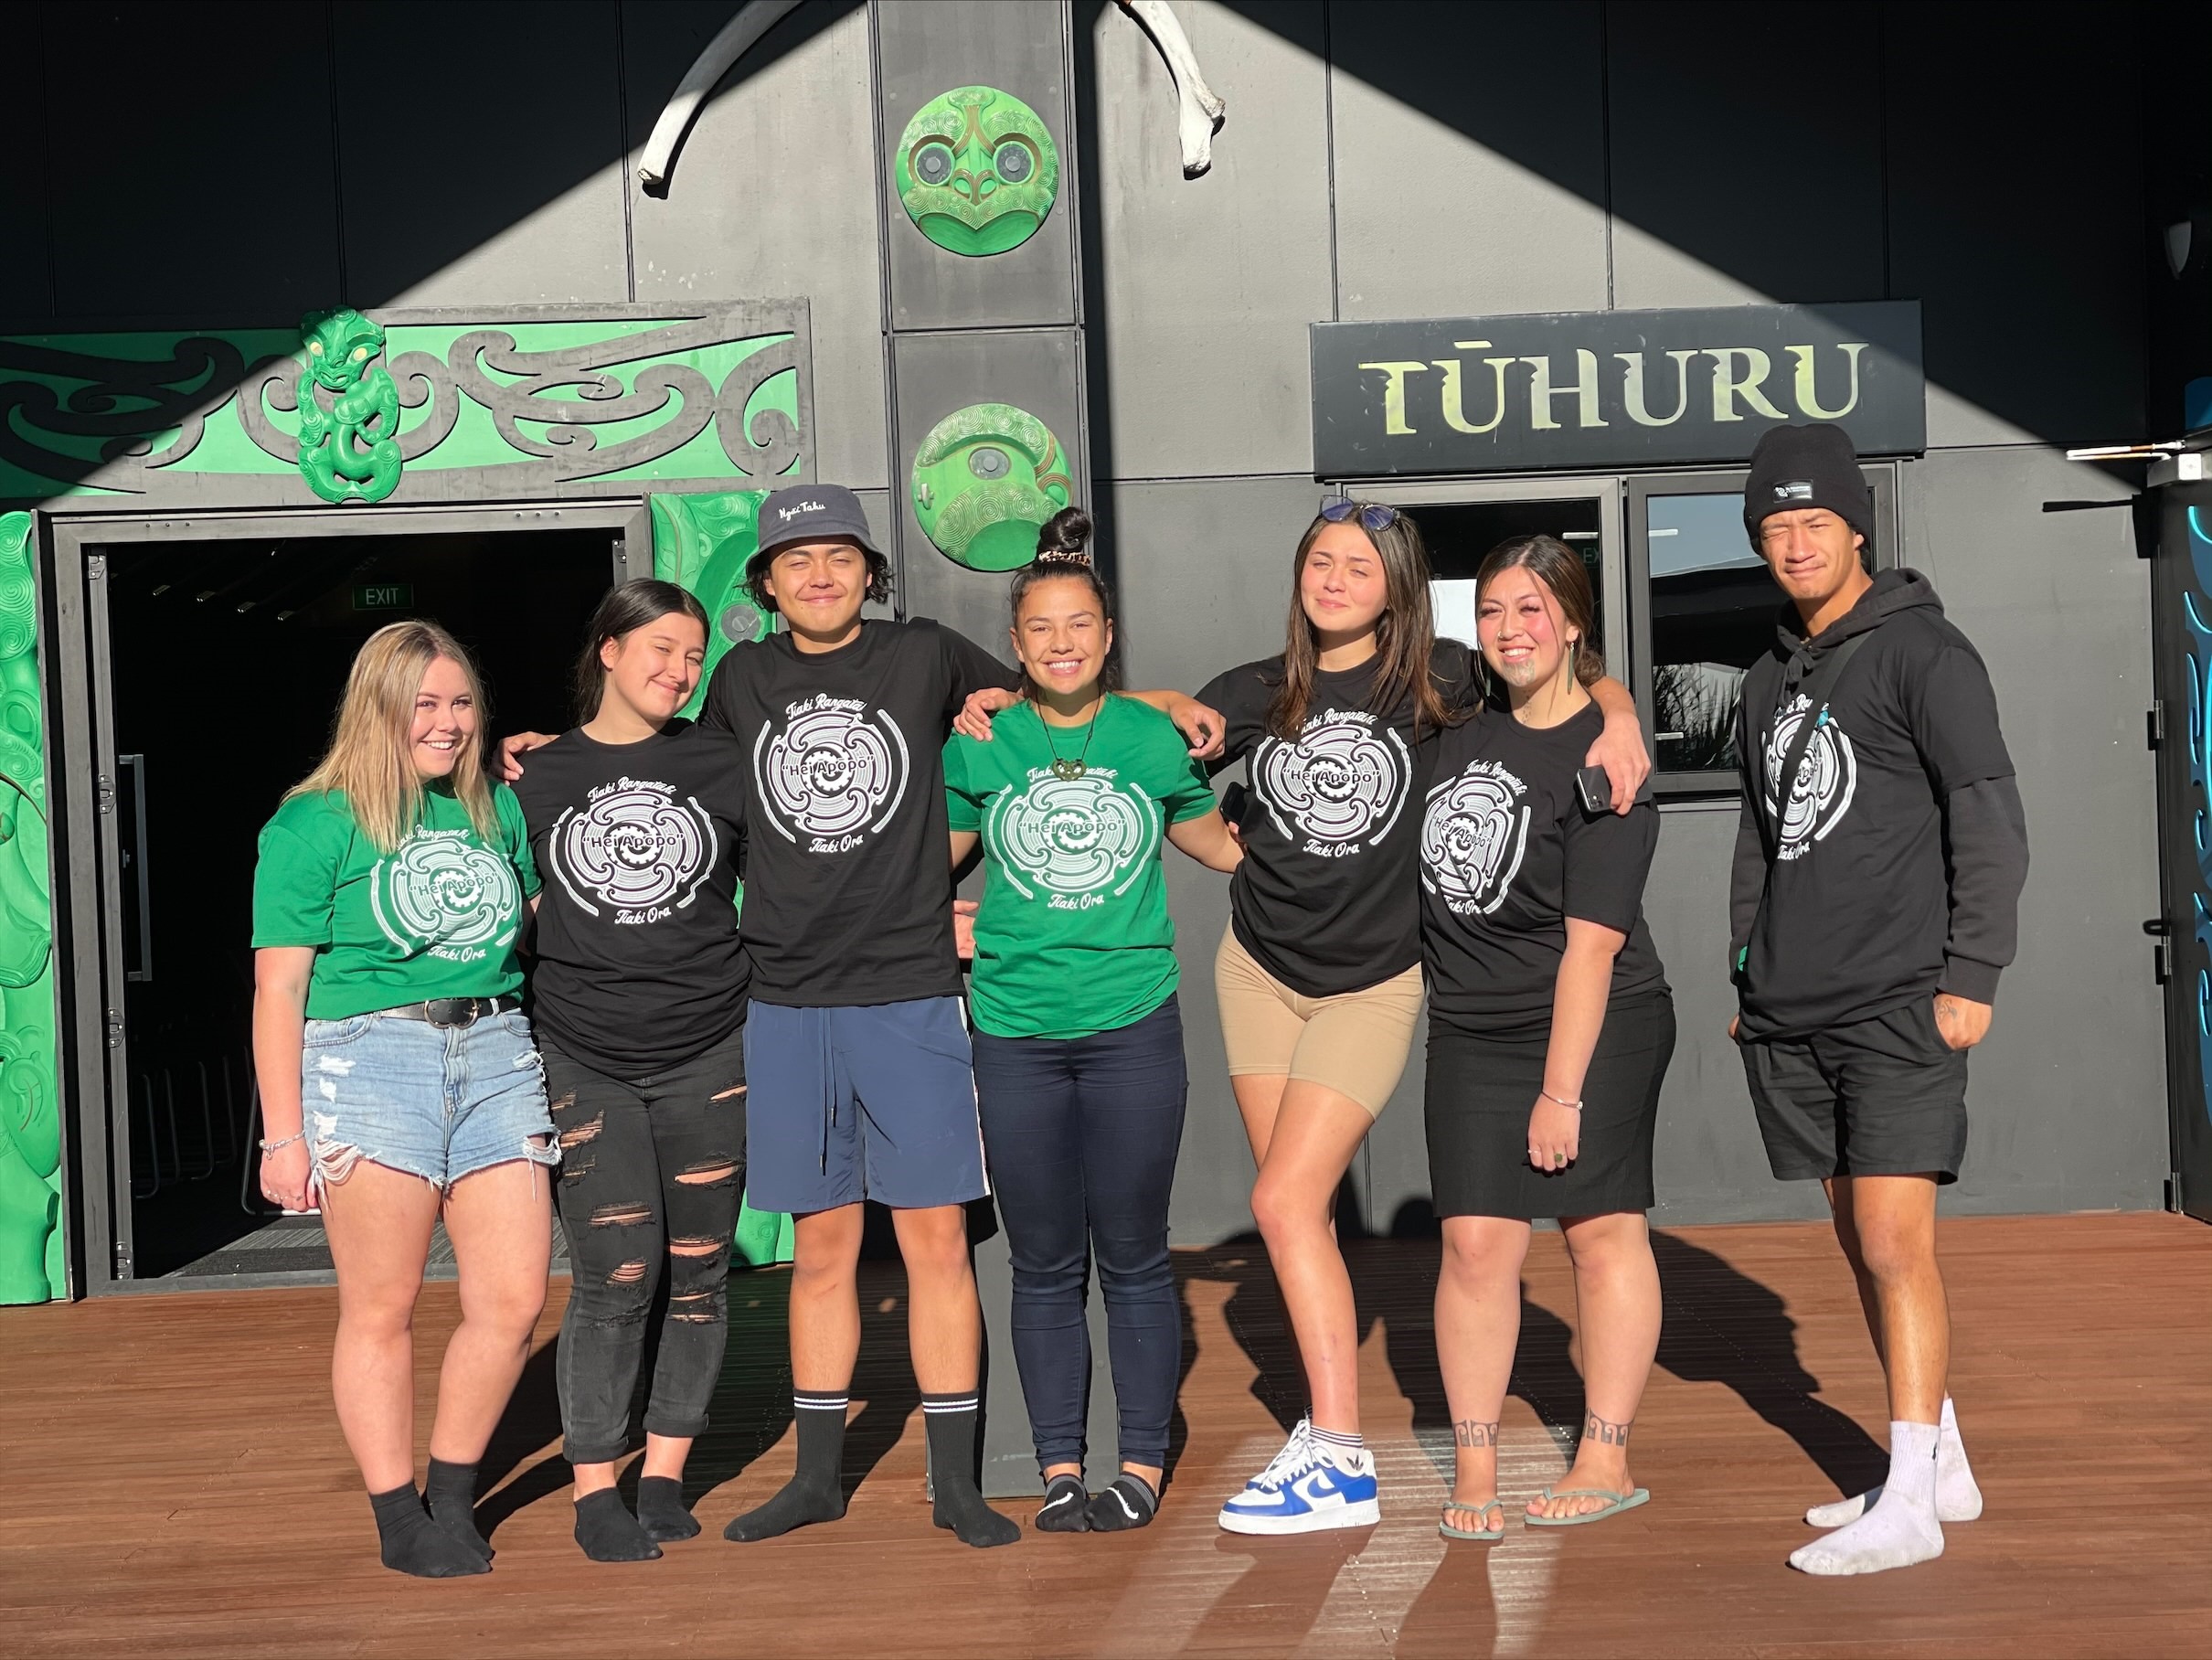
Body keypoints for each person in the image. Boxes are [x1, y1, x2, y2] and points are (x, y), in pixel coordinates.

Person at [499, 484, 1218, 1549]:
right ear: (766, 582)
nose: (820, 575)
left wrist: (1160, 699)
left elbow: (1053, 687)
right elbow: (659, 759)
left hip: (910, 991)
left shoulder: (925, 654)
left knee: (935, 1240)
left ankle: (954, 1485)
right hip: (783, 999)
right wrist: (544, 753)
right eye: (796, 559)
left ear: (869, 573)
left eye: (839, 556)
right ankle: (815, 1478)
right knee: (823, 1245)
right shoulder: (739, 678)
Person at [1190, 497, 1651, 1535]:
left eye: (1360, 565)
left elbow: (1568, 673)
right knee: (1298, 1211)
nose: (1335, 579)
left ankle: (1347, 1451)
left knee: (1285, 1203)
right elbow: (1152, 739)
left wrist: (1620, 714)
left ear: (1396, 588)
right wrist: (1224, 845)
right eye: (1321, 560)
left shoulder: (1442, 680)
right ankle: (1338, 1436)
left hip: (1386, 981)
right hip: (1269, 972)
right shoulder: (1261, 688)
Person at [1728, 422, 2027, 1576]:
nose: (1795, 543)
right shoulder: (1768, 678)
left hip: (1900, 998)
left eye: (1814, 521)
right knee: (1858, 1241)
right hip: (1792, 1005)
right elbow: (1759, 840)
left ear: (1856, 527)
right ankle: (1934, 1462)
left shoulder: (1923, 652)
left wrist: (1971, 972)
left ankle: (1906, 1505)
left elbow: (1986, 808)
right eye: (1774, 526)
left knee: (1895, 1241)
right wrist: (1744, 968)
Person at [943, 509, 1242, 1535]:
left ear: (1108, 636)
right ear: (1015, 643)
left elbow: (1225, 850)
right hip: (1014, 1033)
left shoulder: (1147, 736)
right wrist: (931, 919)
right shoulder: (981, 742)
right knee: (1040, 1261)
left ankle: (1140, 1466)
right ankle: (1060, 1468)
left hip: (1131, 1030)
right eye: (1040, 628)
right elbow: (919, 865)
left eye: (1079, 624)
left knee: (1134, 1254)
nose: (1061, 642)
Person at [251, 621, 558, 1579]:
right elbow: (278, 990)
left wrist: (564, 769)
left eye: (462, 703)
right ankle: (397, 1515)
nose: (447, 722)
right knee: (382, 1305)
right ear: (377, 708)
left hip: (498, 1049)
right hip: (368, 1059)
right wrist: (282, 1137)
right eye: (424, 704)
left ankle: (452, 1496)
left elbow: (535, 918)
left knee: (512, 1299)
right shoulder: (314, 823)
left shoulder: (493, 809)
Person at [1420, 536, 1674, 1542]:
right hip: (1470, 1025)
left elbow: (1591, 949)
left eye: (1531, 609)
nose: (1509, 628)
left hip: (1595, 1022)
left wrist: (1560, 1093)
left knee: (1598, 1231)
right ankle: (1475, 1464)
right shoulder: (1452, 721)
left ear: (1571, 621)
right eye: (1491, 610)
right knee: (1474, 1243)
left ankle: (1605, 1455)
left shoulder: (1606, 762)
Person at [509, 581, 750, 1562]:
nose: (680, 671)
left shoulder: (721, 762)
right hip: (584, 1054)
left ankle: (664, 1474)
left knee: (698, 1274)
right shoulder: (535, 775)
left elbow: (805, 878)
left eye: (694, 655)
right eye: (661, 649)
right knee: (613, 1276)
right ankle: (594, 1487)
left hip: (710, 1047)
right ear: (608, 650)